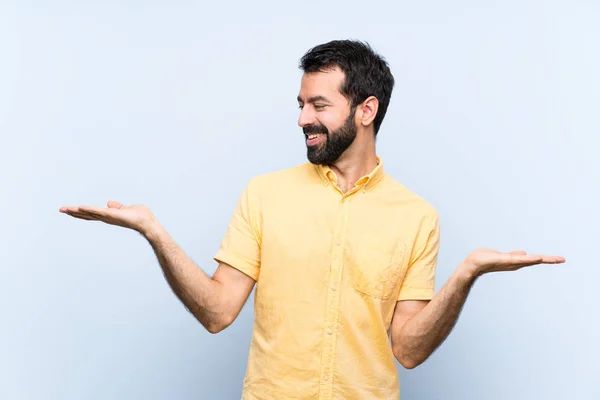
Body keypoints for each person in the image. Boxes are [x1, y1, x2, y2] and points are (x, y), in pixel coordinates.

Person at [59, 39, 565, 400]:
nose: (302, 118)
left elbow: (408, 350)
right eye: (301, 104)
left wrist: (466, 274)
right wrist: (154, 231)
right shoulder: (264, 194)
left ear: (366, 110)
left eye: (319, 104)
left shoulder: (416, 217)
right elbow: (217, 312)